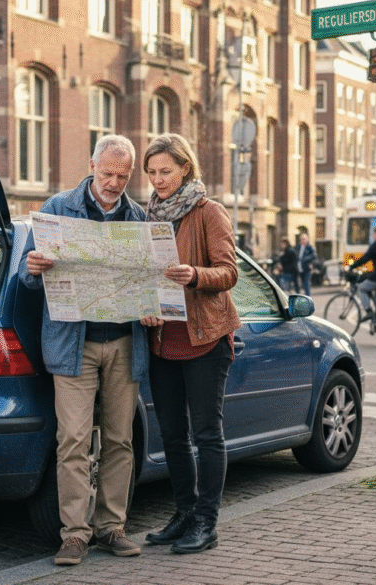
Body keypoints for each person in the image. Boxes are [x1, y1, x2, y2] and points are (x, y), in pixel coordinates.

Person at [18, 134, 148, 566]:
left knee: (120, 440)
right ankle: (74, 534)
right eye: (108, 173)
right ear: (92, 166)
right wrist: (34, 267)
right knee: (72, 438)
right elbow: (25, 276)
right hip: (74, 345)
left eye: (123, 175)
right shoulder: (58, 208)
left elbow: (152, 283)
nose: (114, 183)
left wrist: (153, 308)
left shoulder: (139, 217)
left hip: (125, 344)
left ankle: (112, 527)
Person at [138, 134, 240, 555]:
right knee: (173, 435)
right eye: (152, 173)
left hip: (204, 338)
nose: (158, 180)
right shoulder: (148, 216)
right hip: (163, 340)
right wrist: (143, 305)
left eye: (165, 171)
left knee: (206, 433)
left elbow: (229, 272)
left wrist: (194, 274)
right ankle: (182, 513)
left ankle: (206, 522)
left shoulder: (208, 212)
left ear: (185, 169)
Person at [349, 224, 376, 330]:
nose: (372, 237)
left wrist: (351, 266)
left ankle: (369, 312)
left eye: (373, 234)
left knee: (361, 287)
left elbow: (365, 258)